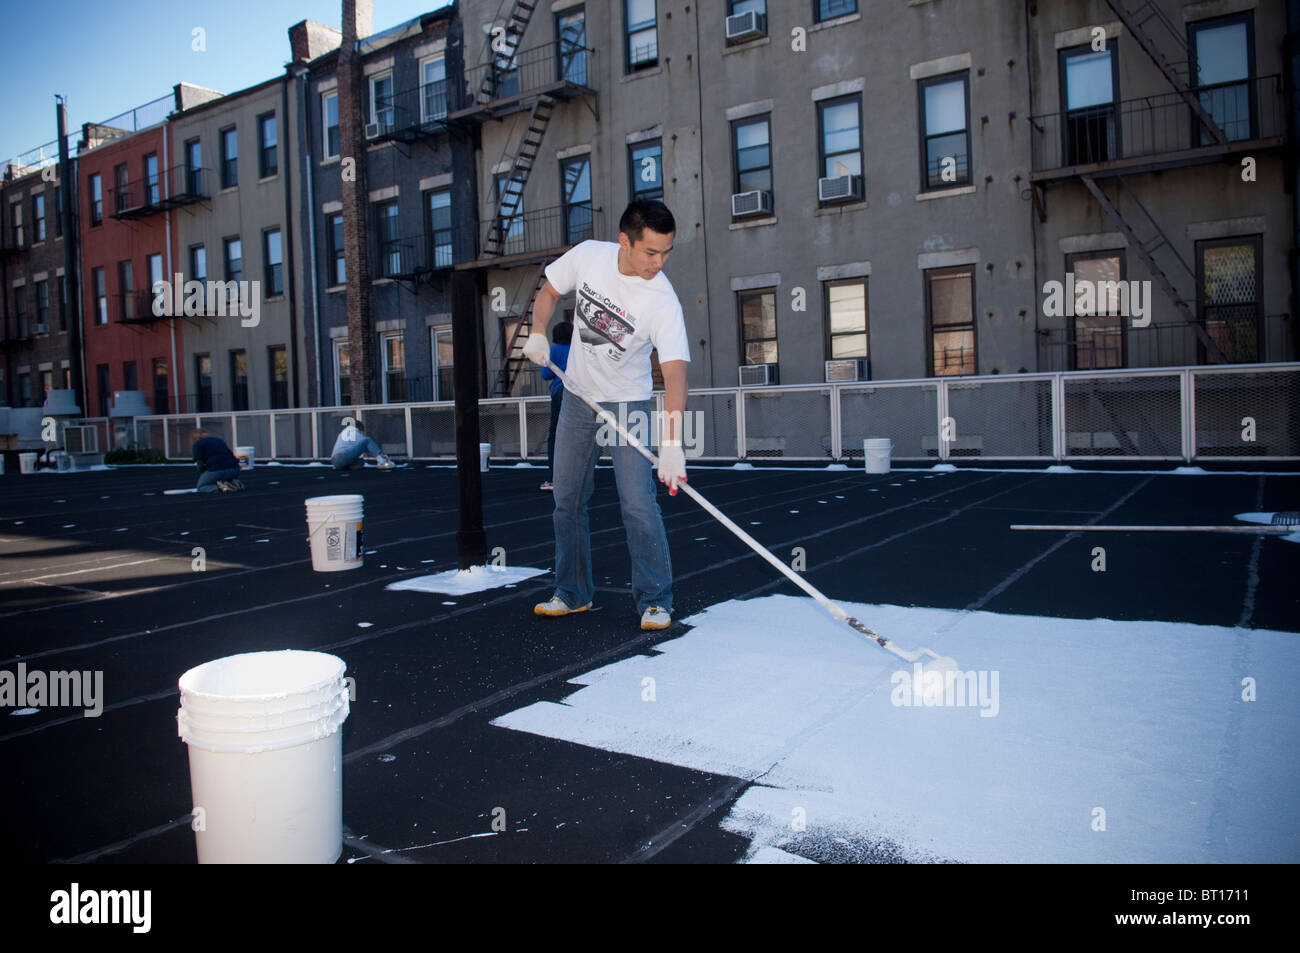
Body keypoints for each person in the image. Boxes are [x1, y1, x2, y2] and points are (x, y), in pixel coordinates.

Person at [523, 200, 690, 631]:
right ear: (625, 242)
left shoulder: (662, 300)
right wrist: (538, 333)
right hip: (578, 395)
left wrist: (672, 445)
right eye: (651, 252)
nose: (659, 262)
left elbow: (675, 376)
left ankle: (655, 600)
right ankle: (572, 593)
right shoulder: (589, 257)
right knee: (567, 498)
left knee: (637, 501)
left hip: (628, 401)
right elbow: (547, 291)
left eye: (667, 252)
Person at [538, 320, 573, 491]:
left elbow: (546, 374)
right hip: (581, 393)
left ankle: (553, 479)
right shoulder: (577, 351)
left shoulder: (554, 350)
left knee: (555, 436)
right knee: (578, 436)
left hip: (560, 392)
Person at [330, 420, 394, 470]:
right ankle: (382, 461)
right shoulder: (354, 431)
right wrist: (377, 453)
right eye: (362, 431)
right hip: (343, 456)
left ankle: (342, 466)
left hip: (334, 461)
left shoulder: (341, 434)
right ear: (359, 428)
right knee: (367, 440)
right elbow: (367, 444)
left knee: (361, 461)